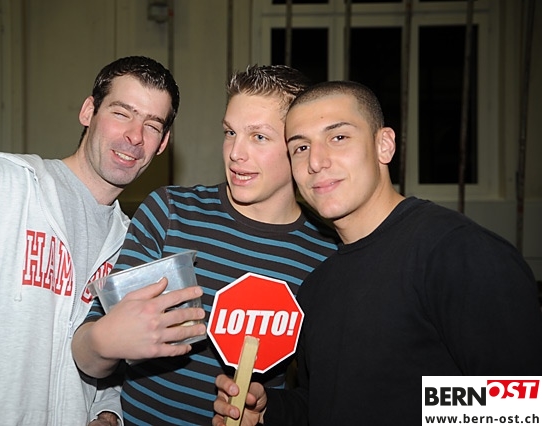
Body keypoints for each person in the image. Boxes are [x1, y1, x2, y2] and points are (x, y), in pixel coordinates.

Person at [213, 80, 542, 426]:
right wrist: (269, 411)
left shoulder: (457, 251)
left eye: (338, 137)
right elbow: (327, 401)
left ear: (384, 145)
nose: (316, 162)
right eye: (301, 147)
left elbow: (523, 402)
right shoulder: (318, 284)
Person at [0, 56, 207, 426]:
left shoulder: (134, 243)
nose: (134, 136)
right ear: (88, 111)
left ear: (163, 143)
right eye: (121, 113)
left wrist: (107, 410)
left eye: (152, 125)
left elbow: (112, 356)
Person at [71, 64, 340, 425]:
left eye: (259, 137)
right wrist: (104, 341)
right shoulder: (170, 212)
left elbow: (322, 394)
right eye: (230, 132)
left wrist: (267, 410)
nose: (235, 153)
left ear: (298, 147)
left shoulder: (326, 253)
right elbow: (87, 353)